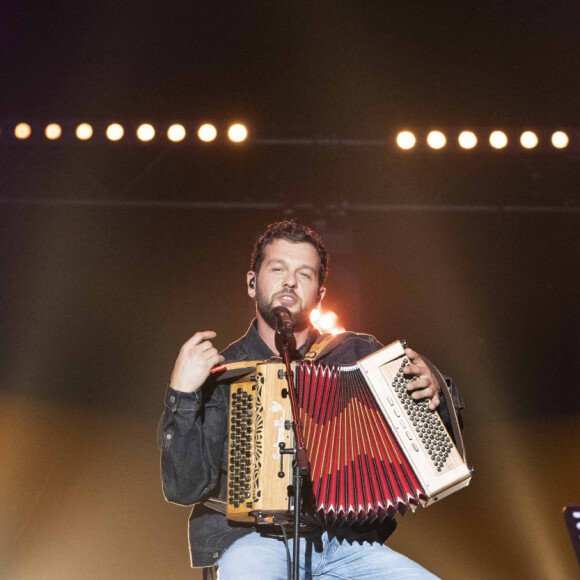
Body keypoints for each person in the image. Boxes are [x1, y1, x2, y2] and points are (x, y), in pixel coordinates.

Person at [159, 220, 464, 579]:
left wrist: (435, 389)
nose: (290, 281)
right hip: (255, 541)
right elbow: (184, 488)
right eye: (278, 269)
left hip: (350, 544)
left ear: (319, 294)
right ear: (252, 282)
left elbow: (432, 441)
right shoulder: (223, 373)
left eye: (304, 274)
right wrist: (181, 394)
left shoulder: (358, 353)